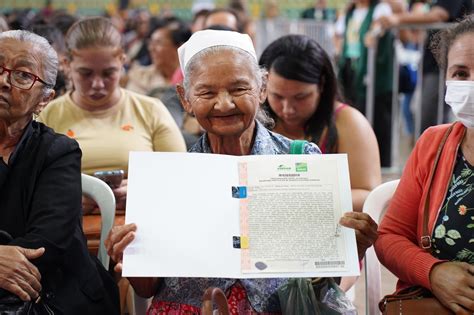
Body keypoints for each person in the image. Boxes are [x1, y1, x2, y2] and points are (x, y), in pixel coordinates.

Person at [105, 29, 379, 314]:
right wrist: (130, 256)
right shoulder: (171, 177)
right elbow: (146, 288)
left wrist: (349, 249)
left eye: (238, 89)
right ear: (185, 99)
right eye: (206, 92)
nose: (224, 103)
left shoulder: (301, 161)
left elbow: (318, 286)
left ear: (261, 89)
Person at [0, 30, 119, 314]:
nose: (3, 81)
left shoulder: (59, 152)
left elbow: (45, 244)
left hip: (50, 292)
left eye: (23, 76)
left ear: (44, 99)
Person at [375, 15, 474, 314]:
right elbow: (390, 237)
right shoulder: (434, 145)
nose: (471, 83)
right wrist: (433, 272)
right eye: (460, 73)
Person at [38, 17, 186, 212]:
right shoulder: (47, 116)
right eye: (86, 74)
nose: (97, 84)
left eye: (108, 73)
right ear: (66, 64)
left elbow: (182, 179)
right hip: (66, 228)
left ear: (122, 61)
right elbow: (28, 186)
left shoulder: (151, 111)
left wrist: (143, 191)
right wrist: (67, 197)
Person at [260, 34, 381, 214]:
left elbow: (369, 195)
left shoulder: (349, 122)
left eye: (300, 97)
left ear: (322, 85)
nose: (287, 109)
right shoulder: (256, 121)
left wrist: (301, 199)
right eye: (277, 96)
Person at [377, 0, 472, 135]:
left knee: (430, 121)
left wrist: (398, 18)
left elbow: (439, 15)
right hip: (435, 67)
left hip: (443, 69)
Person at [336, 0, 394, 167]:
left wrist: (374, 34)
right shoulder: (349, 12)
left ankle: (381, 165)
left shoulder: (380, 8)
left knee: (378, 118)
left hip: (374, 74)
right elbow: (339, 35)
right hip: (350, 70)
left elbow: (378, 29)